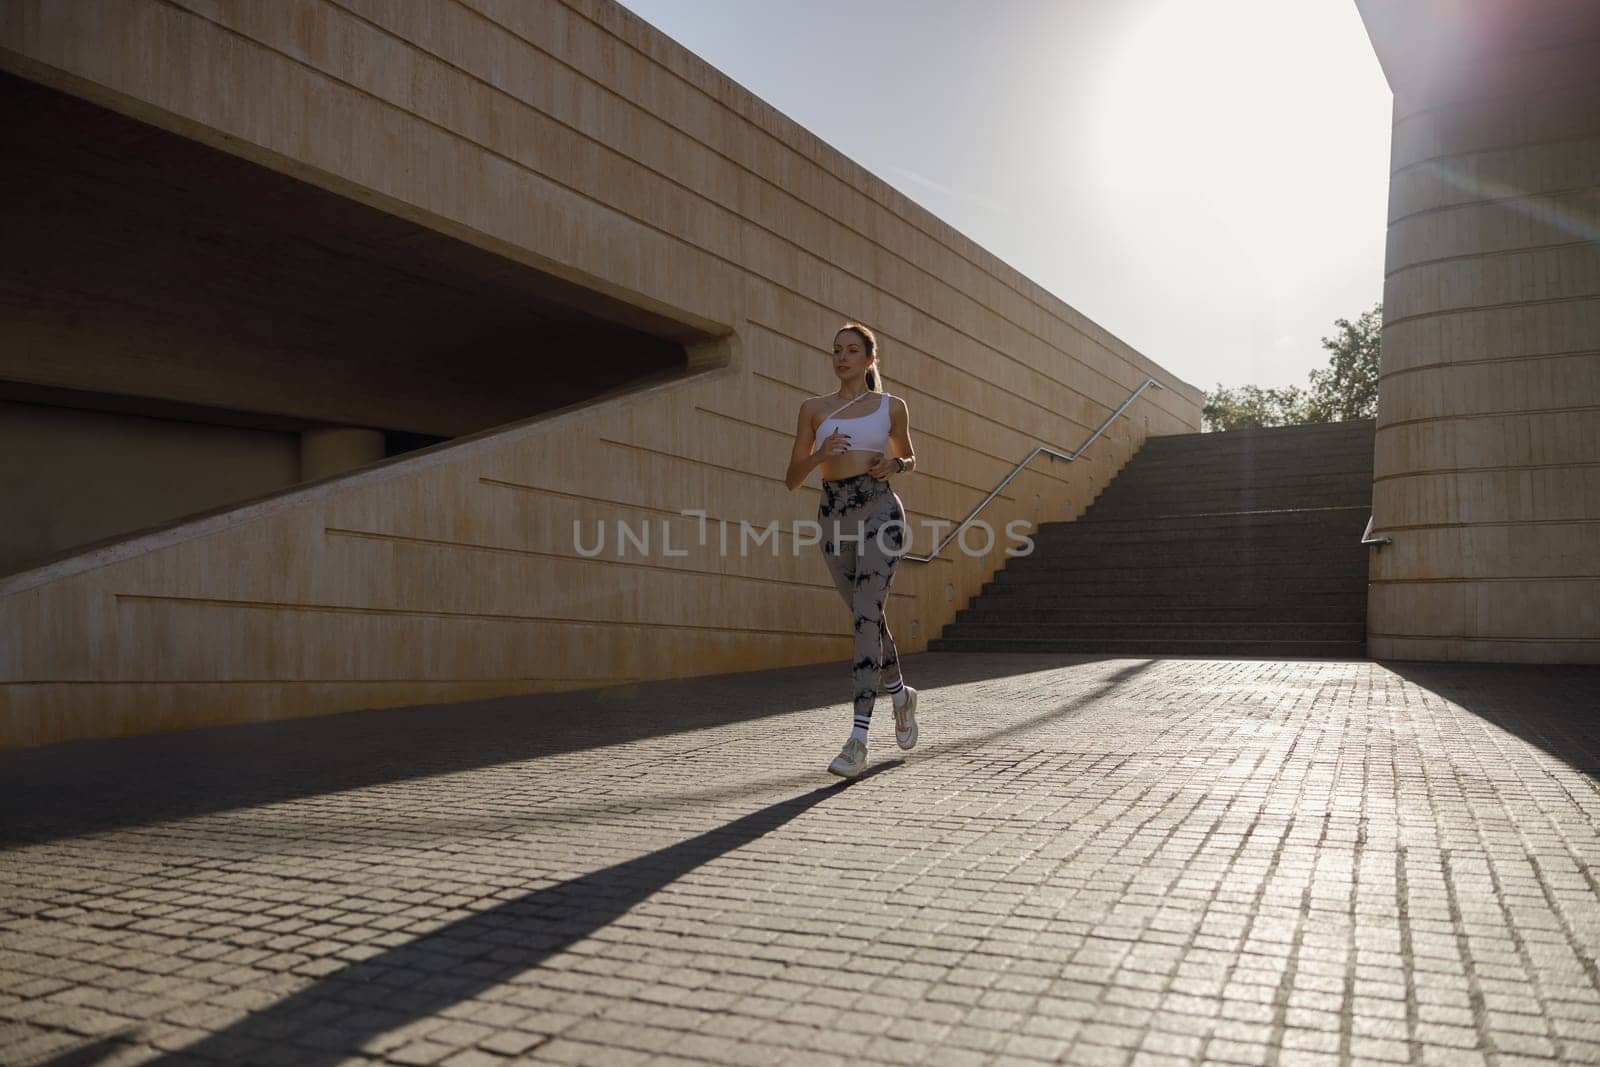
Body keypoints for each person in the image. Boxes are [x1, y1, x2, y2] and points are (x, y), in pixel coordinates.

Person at [784, 323, 920, 777]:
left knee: (865, 614)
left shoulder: (891, 407)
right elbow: (792, 476)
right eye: (836, 350)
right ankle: (901, 695)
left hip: (880, 510)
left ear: (869, 360)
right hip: (834, 515)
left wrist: (894, 464)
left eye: (852, 350)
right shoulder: (812, 409)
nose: (842, 357)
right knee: (868, 617)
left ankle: (858, 739)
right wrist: (820, 451)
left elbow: (908, 456)